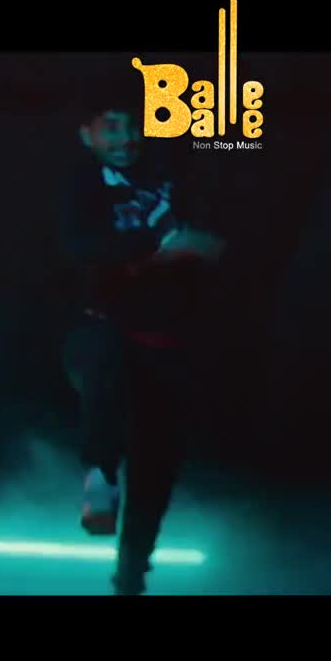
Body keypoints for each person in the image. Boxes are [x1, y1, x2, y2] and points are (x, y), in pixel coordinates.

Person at [60, 77, 225, 595]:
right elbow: (87, 251)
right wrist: (159, 252)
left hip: (170, 343)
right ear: (87, 135)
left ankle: (133, 568)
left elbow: (210, 240)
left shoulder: (171, 175)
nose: (125, 139)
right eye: (111, 128)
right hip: (105, 333)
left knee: (159, 458)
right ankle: (100, 476)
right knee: (106, 358)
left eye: (133, 128)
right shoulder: (82, 189)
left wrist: (185, 249)